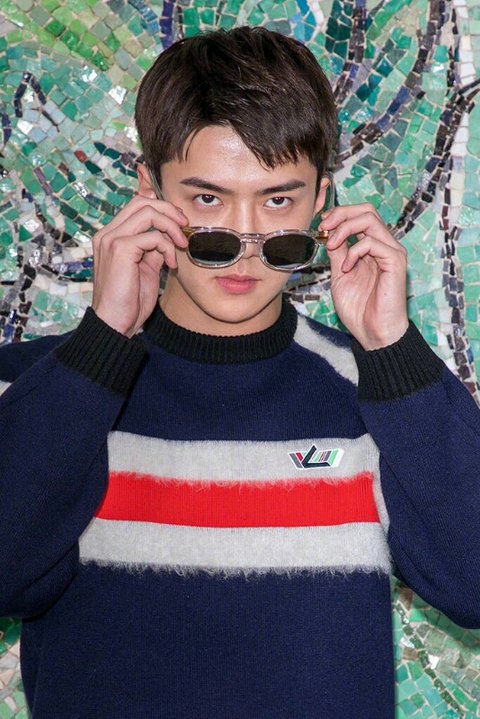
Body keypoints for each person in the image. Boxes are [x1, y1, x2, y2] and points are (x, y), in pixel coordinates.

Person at [0, 25, 479, 719]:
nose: (245, 244)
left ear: (321, 201)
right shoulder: (41, 388)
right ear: (148, 191)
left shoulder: (376, 392)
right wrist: (102, 343)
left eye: (278, 201)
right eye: (208, 200)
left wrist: (392, 347)